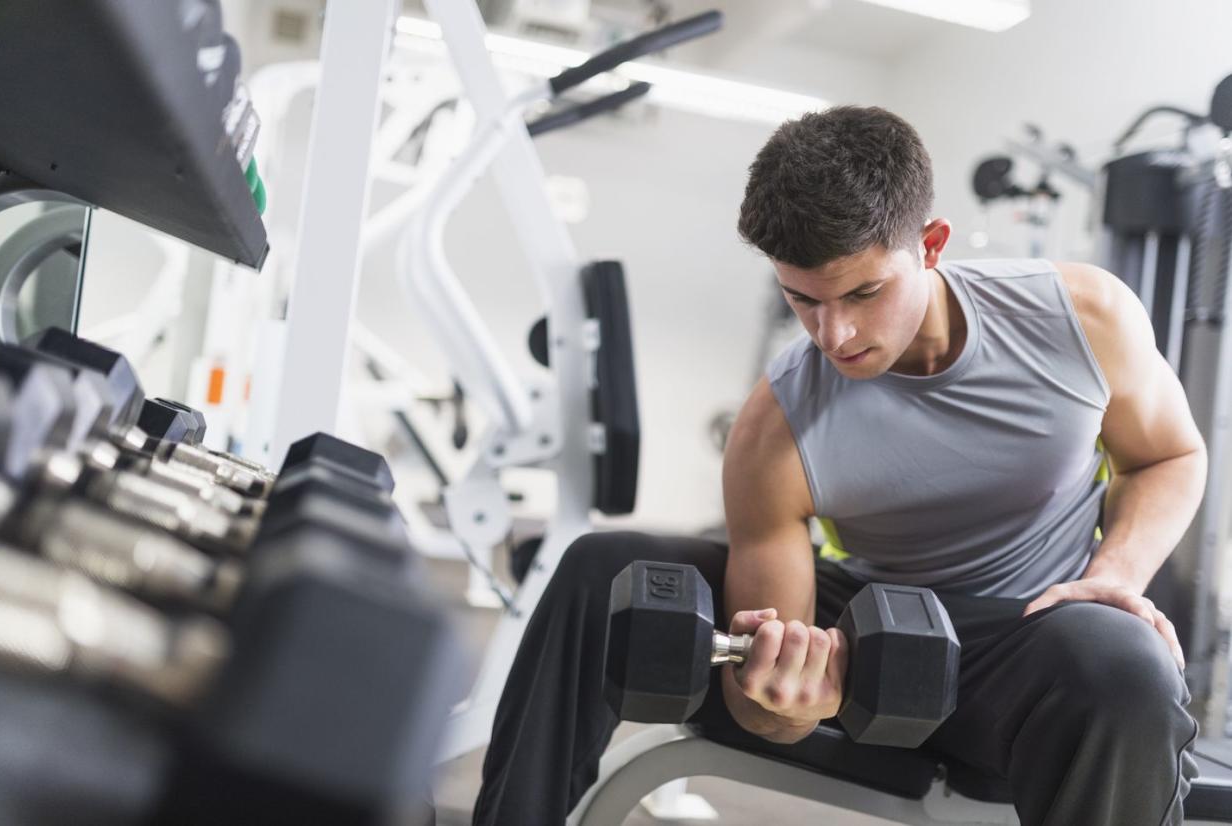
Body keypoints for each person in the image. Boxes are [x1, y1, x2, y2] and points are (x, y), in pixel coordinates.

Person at [471, 105, 1207, 826]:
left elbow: (1169, 456)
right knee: (607, 570)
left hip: (1028, 635)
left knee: (1120, 659)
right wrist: (789, 709)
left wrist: (1112, 578)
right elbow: (765, 698)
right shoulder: (776, 429)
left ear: (932, 243)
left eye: (864, 292)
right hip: (866, 631)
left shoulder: (1079, 319)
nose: (836, 333)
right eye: (803, 301)